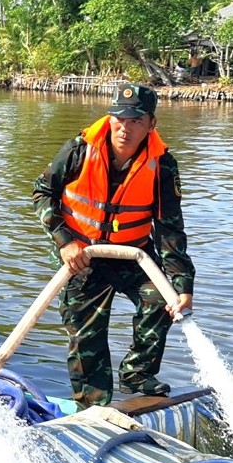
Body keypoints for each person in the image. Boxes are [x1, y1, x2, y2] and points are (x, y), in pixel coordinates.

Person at [32, 82, 195, 410]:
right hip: (82, 255)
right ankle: (93, 408)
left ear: (151, 124)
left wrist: (181, 285)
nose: (125, 128)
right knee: (85, 335)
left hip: (132, 253)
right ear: (109, 119)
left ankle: (137, 373)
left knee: (160, 300)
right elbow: (42, 192)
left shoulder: (162, 165)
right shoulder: (79, 150)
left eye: (136, 121)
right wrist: (64, 242)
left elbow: (170, 230)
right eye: (119, 119)